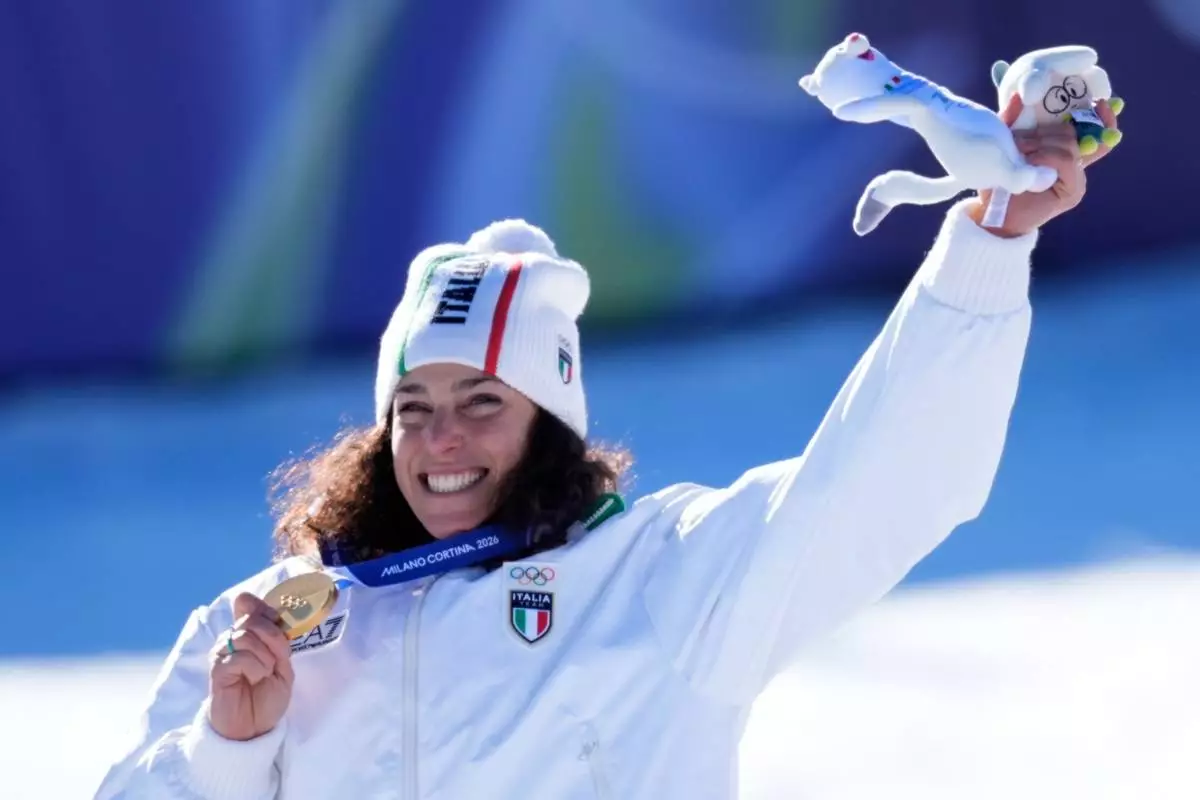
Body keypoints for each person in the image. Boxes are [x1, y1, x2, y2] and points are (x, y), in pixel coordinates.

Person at [95, 95, 1119, 800]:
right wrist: (231, 748)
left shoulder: (664, 574)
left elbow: (883, 477)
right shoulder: (283, 620)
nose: (439, 436)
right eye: (412, 404)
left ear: (552, 418)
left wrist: (988, 243)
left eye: (483, 399)